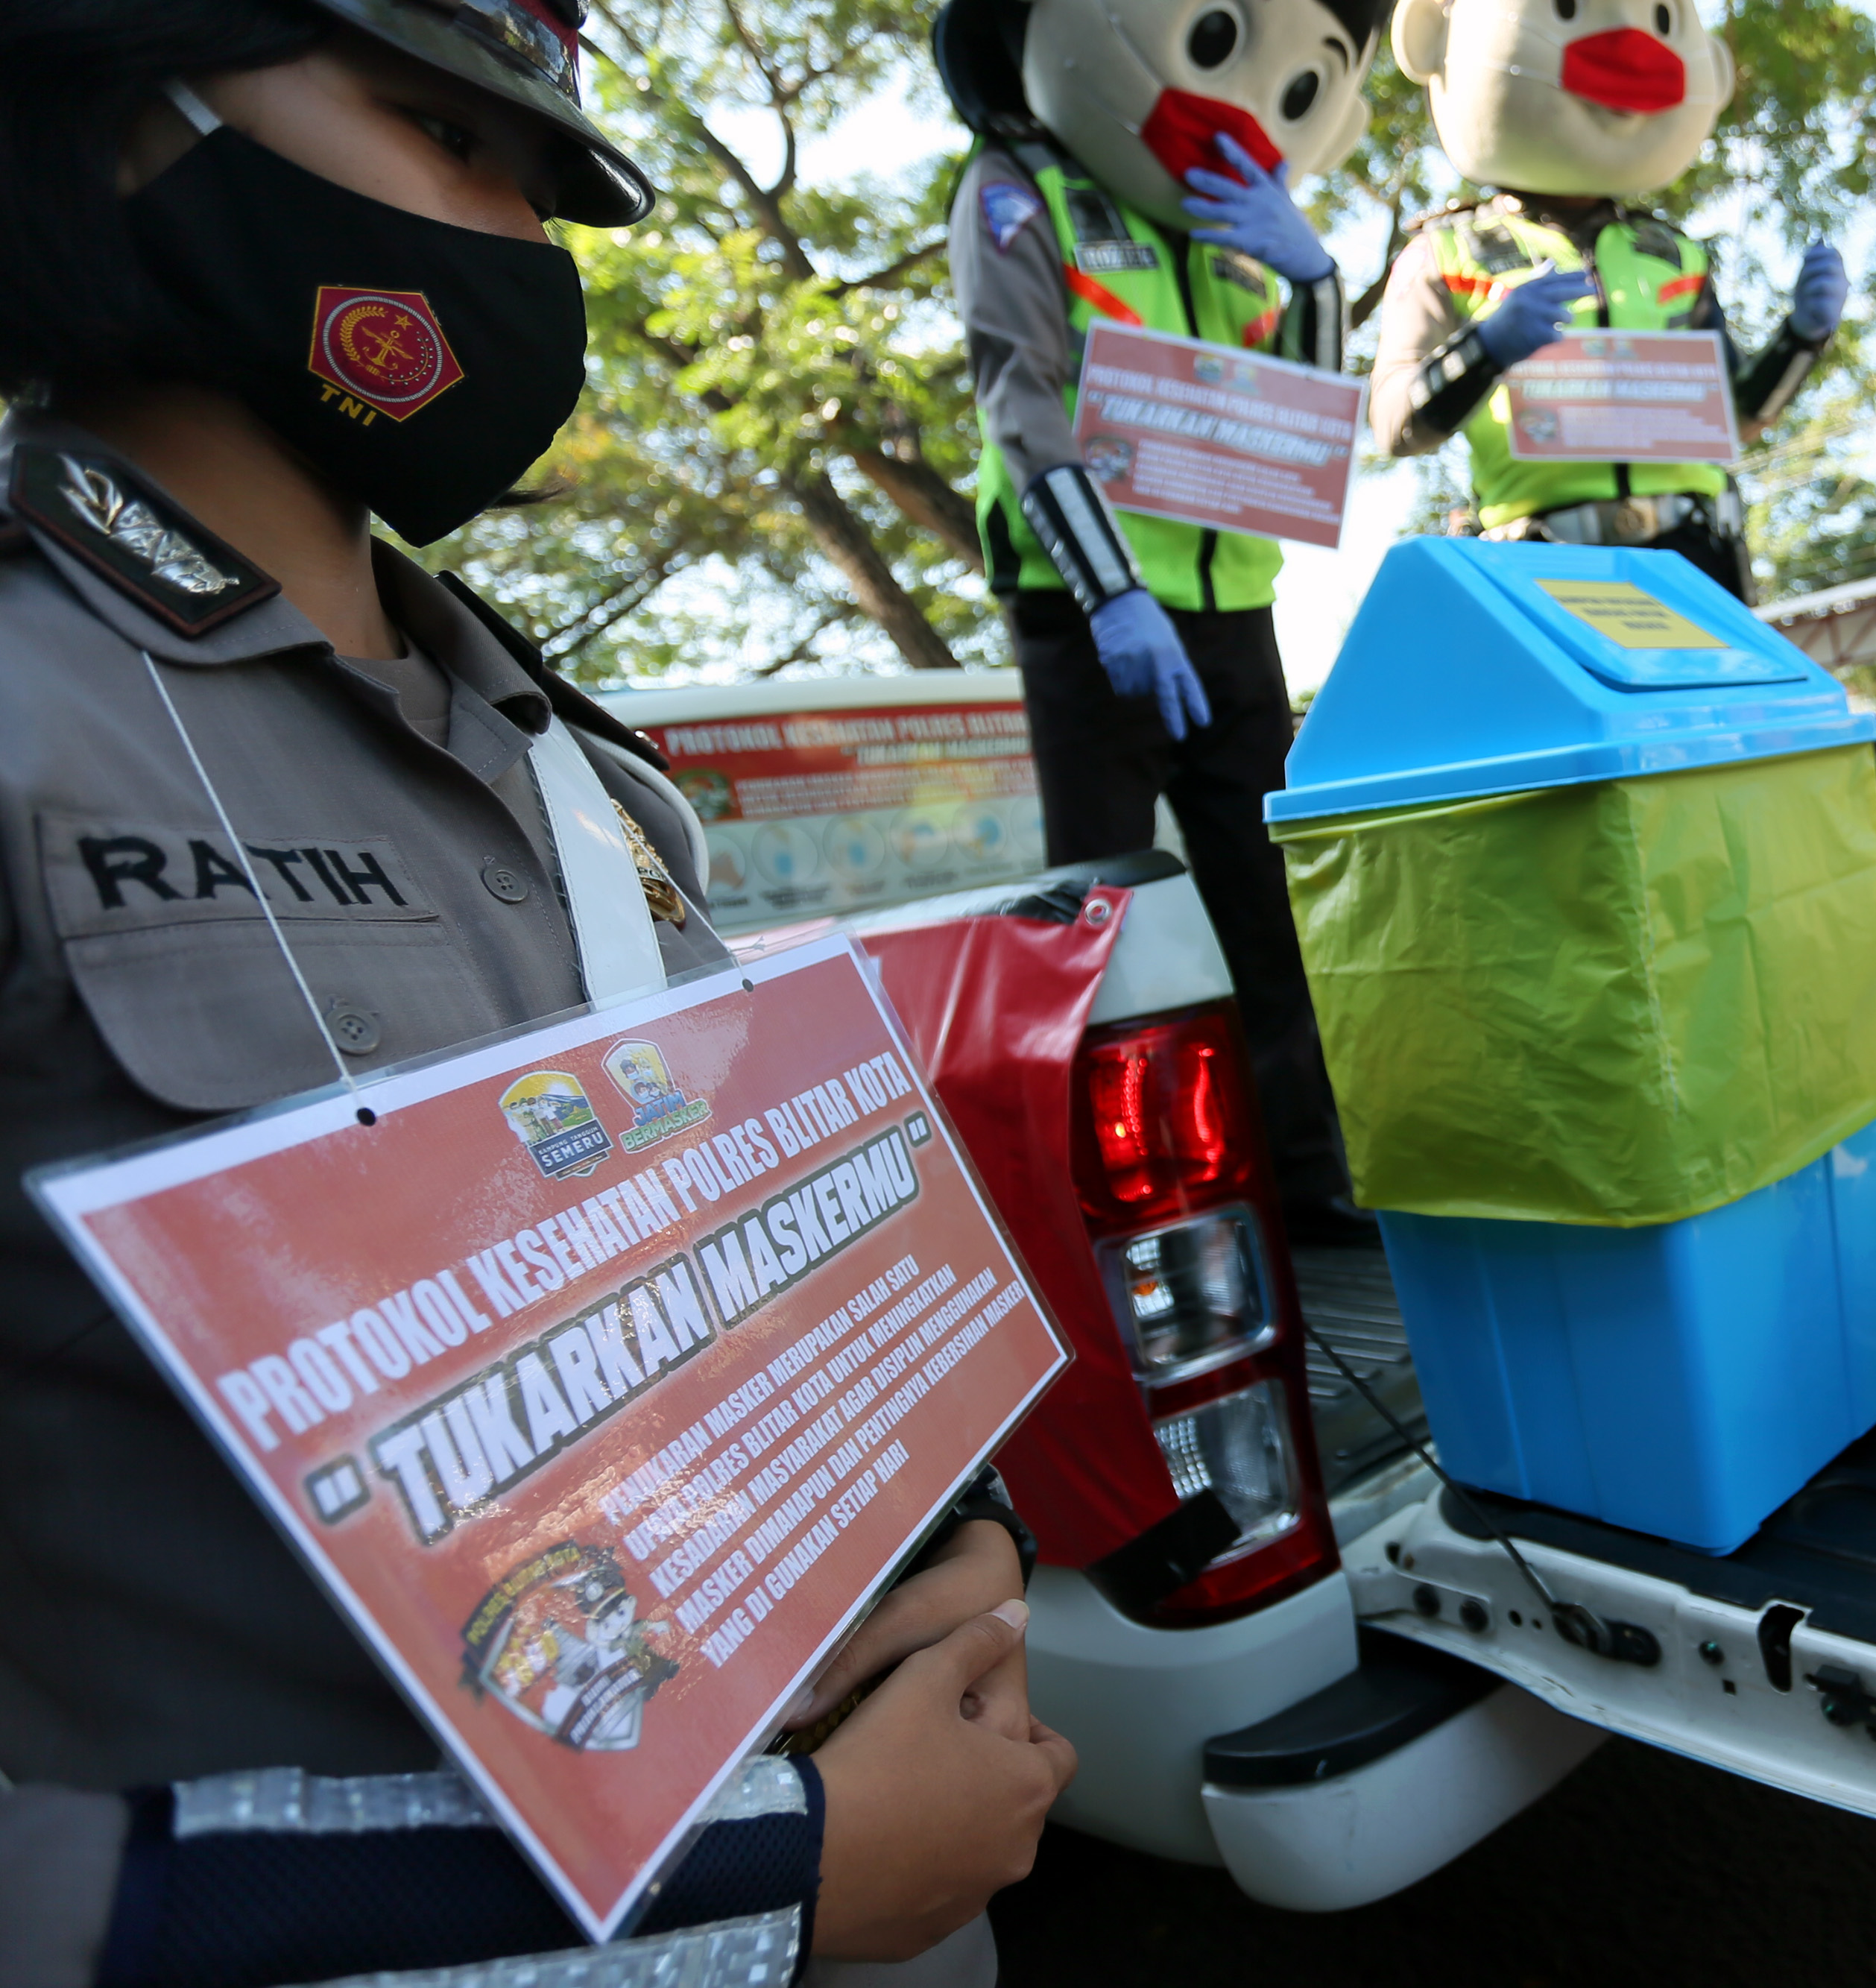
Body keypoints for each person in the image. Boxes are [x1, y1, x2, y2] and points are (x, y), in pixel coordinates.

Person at [0, 6, 1073, 1981]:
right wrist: (779, 1888)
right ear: (114, 92)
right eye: (438, 129)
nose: (512, 243)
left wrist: (960, 1540)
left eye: (550, 191)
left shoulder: (591, 779)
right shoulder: (31, 731)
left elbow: (767, 1277)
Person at [934, 0, 1383, 1244]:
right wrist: (1111, 591)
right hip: (1094, 615)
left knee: (1273, 916)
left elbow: (1306, 421)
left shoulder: (1226, 228)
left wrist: (1317, 280)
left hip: (1235, 608)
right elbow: (1015, 393)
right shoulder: (1021, 189)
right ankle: (1126, 1210)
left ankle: (1311, 1178)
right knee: (1102, 925)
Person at [1365, 0, 1845, 602]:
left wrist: (1800, 339)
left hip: (1696, 560)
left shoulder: (1675, 254)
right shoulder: (1445, 254)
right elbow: (1393, 424)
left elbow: (1740, 415)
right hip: (1543, 562)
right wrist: (1482, 349)